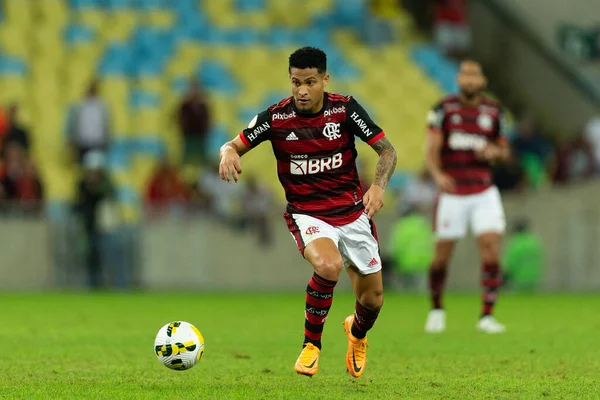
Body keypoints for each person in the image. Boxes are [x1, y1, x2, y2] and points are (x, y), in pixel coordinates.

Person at [219, 47, 397, 378]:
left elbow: (387, 150)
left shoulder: (345, 110)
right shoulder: (275, 117)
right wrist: (227, 152)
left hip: (352, 212)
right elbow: (233, 143)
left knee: (372, 301)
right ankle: (311, 345)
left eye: (310, 82)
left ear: (325, 80)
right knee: (328, 266)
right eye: (295, 82)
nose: (302, 90)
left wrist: (378, 186)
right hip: (308, 213)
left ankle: (356, 334)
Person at [424, 60, 510, 334]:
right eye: (465, 74)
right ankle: (436, 308)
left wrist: (494, 153)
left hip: (484, 190)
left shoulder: (495, 112)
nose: (470, 80)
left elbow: (504, 150)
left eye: (475, 75)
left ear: (483, 81)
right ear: (459, 80)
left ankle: (487, 315)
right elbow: (431, 149)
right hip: (453, 191)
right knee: (441, 257)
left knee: (491, 249)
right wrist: (437, 175)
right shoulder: (443, 109)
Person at [68, 80, 112, 163]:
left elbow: (106, 125)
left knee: (97, 164)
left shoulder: (102, 106)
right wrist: (72, 139)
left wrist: (107, 139)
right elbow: (75, 124)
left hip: (98, 142)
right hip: (83, 142)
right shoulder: (80, 105)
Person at [178, 79, 211, 165]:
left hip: (201, 137)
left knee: (202, 161)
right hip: (188, 137)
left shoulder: (203, 106)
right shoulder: (185, 106)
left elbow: (207, 120)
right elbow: (181, 120)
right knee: (187, 160)